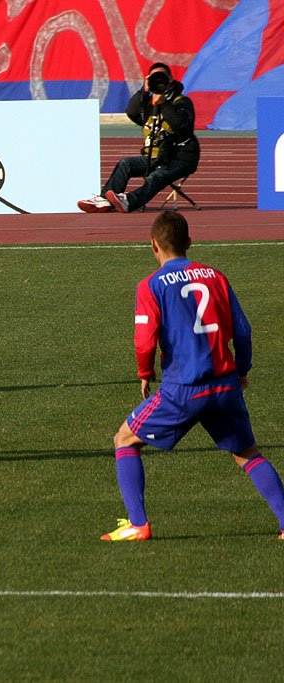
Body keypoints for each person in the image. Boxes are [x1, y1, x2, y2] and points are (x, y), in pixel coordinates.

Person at [102, 211, 284, 541]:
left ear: (153, 244)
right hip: (225, 384)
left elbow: (144, 340)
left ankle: (138, 524)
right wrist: (242, 370)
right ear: (189, 241)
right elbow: (243, 331)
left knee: (125, 439)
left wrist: (145, 372)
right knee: (246, 453)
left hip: (183, 389)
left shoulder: (151, 285)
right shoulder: (216, 276)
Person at [78, 63, 200, 214]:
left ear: (170, 79)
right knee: (125, 164)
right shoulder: (149, 103)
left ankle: (129, 201)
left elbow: (182, 127)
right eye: (154, 77)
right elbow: (132, 112)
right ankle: (104, 200)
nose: (158, 81)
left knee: (156, 176)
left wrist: (164, 104)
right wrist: (144, 90)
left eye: (162, 77)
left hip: (180, 157)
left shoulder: (181, 102)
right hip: (156, 156)